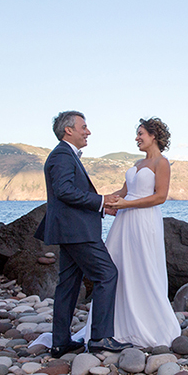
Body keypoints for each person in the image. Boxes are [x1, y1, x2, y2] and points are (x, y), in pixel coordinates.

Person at [74, 117, 182, 347]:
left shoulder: (161, 163)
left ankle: (148, 323)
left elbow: (160, 197)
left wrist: (126, 205)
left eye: (141, 133)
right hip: (124, 221)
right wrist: (102, 202)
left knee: (143, 267)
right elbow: (124, 191)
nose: (137, 138)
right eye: (137, 134)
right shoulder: (137, 163)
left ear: (153, 136)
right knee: (118, 268)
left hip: (144, 220)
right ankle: (113, 326)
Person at [35, 111, 133, 357]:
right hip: (77, 232)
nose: (88, 131)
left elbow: (68, 193)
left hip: (69, 230)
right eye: (84, 127)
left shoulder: (65, 155)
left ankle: (60, 343)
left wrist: (101, 206)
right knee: (107, 274)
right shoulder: (62, 155)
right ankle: (100, 338)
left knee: (68, 285)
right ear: (69, 130)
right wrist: (100, 200)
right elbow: (64, 191)